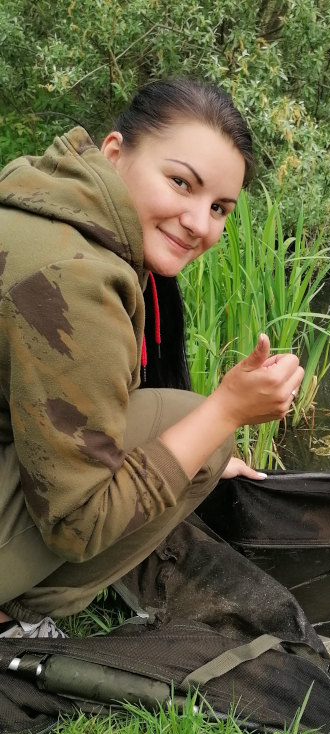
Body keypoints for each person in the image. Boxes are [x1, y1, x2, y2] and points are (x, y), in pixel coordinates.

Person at [0, 76, 304, 638]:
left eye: (219, 207)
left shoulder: (47, 202)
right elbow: (77, 526)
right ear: (116, 152)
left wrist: (190, 451)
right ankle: (14, 608)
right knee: (198, 423)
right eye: (180, 183)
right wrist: (222, 416)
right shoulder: (76, 278)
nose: (199, 223)